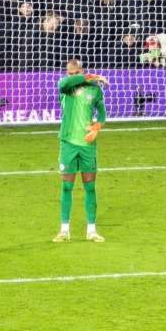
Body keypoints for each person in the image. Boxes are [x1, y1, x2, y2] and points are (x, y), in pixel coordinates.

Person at [54, 55, 106, 243]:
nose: (72, 76)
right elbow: (65, 83)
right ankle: (64, 230)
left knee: (90, 187)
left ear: (81, 71)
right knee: (67, 186)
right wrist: (91, 76)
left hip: (87, 146)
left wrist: (96, 128)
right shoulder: (65, 87)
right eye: (70, 73)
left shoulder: (94, 89)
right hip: (68, 143)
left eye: (76, 73)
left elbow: (102, 113)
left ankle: (91, 231)